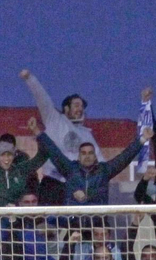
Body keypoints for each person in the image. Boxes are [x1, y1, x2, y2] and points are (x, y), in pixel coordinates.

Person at [20, 69, 99, 206]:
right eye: (76, 105)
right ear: (66, 108)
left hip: (75, 185)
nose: (80, 109)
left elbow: (99, 162)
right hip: (52, 183)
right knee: (48, 224)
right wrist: (29, 78)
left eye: (82, 106)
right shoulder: (53, 119)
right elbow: (42, 98)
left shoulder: (87, 134)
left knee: (73, 224)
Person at [37, 131, 148, 208]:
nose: (87, 156)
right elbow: (54, 152)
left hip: (98, 225)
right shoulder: (70, 169)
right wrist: (39, 133)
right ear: (78, 156)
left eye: (90, 153)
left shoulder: (104, 171)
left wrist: (142, 139)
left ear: (95, 156)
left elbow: (124, 157)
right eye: (83, 153)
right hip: (74, 225)